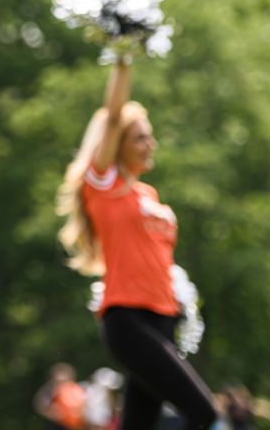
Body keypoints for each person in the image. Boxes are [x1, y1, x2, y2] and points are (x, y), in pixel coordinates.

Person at [56, 58, 217, 430]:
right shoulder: (104, 187)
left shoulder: (149, 193)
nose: (151, 143)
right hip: (129, 321)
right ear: (117, 145)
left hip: (163, 320)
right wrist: (124, 58)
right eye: (140, 137)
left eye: (150, 135)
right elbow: (112, 116)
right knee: (203, 412)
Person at [32, 362, 87, 430]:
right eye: (58, 381)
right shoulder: (49, 389)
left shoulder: (75, 389)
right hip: (56, 425)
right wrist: (52, 413)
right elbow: (39, 404)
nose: (60, 384)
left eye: (63, 381)